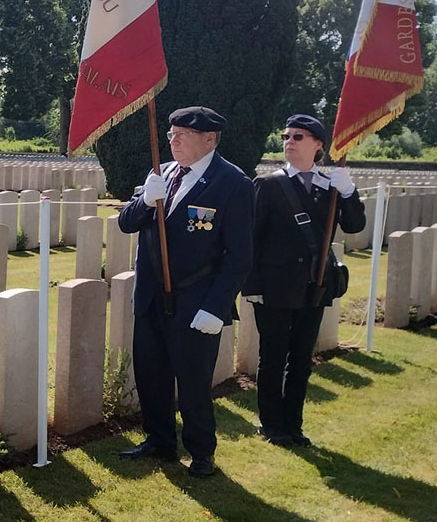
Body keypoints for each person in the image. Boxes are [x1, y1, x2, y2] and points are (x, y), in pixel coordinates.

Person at [117, 106, 254, 478]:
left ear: (209, 139)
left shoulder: (233, 184)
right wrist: (145, 200)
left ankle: (201, 450)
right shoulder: (161, 175)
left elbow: (239, 256)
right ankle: (159, 441)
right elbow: (126, 224)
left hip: (196, 299)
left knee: (193, 382)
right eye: (171, 134)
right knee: (151, 374)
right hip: (150, 296)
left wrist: (216, 306)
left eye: (183, 135)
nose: (173, 141)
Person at [243, 115, 365, 448]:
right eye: (286, 136)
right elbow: (251, 238)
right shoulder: (268, 185)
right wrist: (253, 288)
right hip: (275, 288)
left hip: (315, 287)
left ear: (318, 145)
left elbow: (354, 226)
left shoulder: (331, 187)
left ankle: (294, 425)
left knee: (300, 359)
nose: (290, 141)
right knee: (272, 359)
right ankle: (272, 425)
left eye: (298, 136)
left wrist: (349, 190)